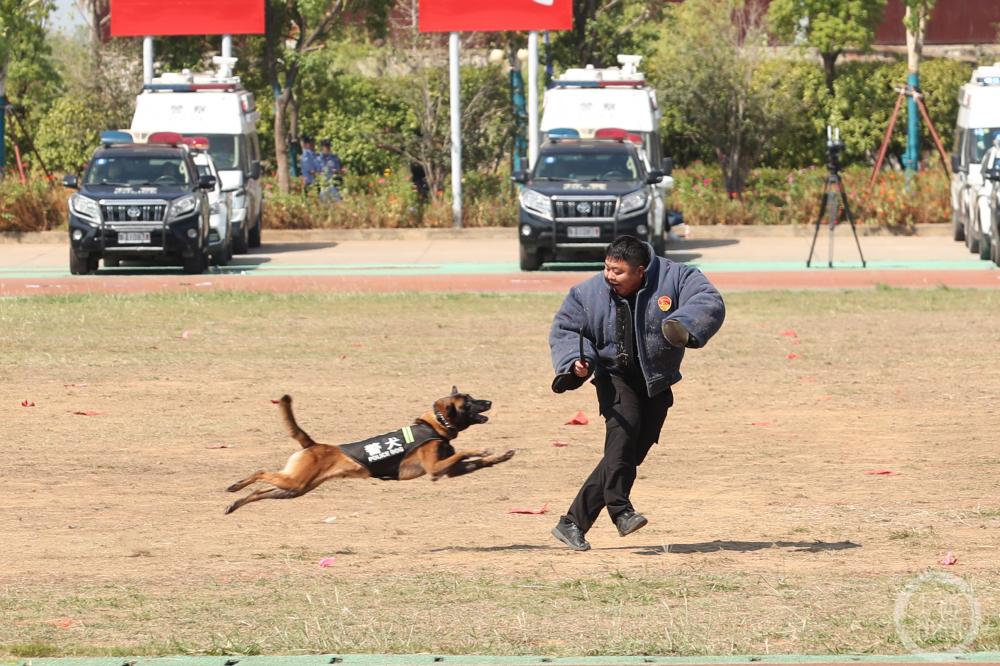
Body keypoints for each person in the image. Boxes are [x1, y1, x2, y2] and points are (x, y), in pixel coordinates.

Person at [548, 235, 726, 551]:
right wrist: (576, 361)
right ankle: (621, 511)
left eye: (618, 271)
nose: (610, 276)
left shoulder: (677, 276)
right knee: (624, 431)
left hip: (656, 377)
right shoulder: (586, 293)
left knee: (628, 454)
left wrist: (684, 324)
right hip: (613, 375)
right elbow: (567, 329)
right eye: (607, 268)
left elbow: (708, 299)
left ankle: (572, 522)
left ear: (641, 271)